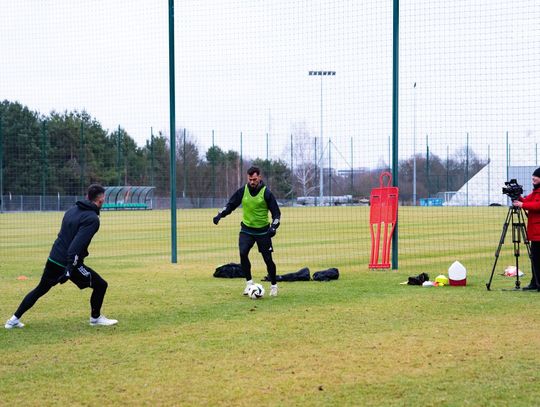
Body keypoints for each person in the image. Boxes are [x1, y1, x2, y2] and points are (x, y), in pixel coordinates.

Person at [5, 184, 118, 329]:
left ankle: (13, 320)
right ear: (101, 200)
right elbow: (75, 246)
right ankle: (95, 319)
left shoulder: (72, 210)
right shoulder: (92, 219)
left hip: (54, 258)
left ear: (87, 196)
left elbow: (63, 237)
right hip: (69, 263)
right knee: (101, 285)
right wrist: (69, 269)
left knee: (40, 289)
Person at [213, 166, 281, 296]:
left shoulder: (266, 193)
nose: (252, 182)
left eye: (254, 179)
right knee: (243, 253)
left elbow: (276, 214)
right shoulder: (242, 191)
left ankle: (274, 285)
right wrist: (220, 215)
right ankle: (249, 283)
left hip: (263, 232)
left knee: (268, 259)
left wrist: (273, 227)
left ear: (259, 177)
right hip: (246, 230)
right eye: (250, 179)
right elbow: (230, 205)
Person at [512, 167, 540, 291]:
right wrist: (517, 196)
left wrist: (522, 204)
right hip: (536, 232)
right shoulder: (535, 192)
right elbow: (526, 201)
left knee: (538, 259)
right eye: (533, 178)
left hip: (538, 232)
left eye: (536, 177)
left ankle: (538, 283)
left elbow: (537, 205)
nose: (533, 179)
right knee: (535, 259)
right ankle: (535, 283)